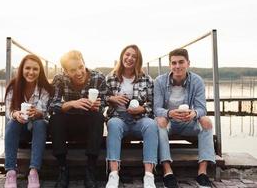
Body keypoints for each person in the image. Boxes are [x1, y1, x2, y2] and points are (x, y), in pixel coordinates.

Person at [153, 48, 215, 188]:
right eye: (174, 63)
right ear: (170, 65)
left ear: (188, 63)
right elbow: (156, 109)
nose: (177, 66)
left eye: (181, 62)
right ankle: (167, 171)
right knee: (160, 120)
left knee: (206, 121)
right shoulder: (160, 81)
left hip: (188, 122)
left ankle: (202, 173)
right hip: (168, 122)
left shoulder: (197, 81)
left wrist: (194, 113)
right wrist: (169, 113)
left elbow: (202, 108)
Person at [49, 50, 107, 188]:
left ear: (84, 63)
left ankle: (90, 169)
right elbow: (51, 105)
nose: (79, 73)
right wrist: (71, 103)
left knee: (98, 117)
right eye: (73, 70)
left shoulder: (98, 78)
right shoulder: (60, 79)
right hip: (69, 123)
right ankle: (63, 169)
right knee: (55, 119)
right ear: (66, 71)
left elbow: (104, 103)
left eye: (81, 67)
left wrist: (97, 106)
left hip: (88, 124)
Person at [105, 45, 158, 188]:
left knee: (152, 125)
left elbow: (153, 104)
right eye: (127, 54)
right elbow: (102, 98)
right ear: (122, 55)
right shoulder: (110, 78)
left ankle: (149, 175)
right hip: (118, 117)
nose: (129, 58)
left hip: (139, 119)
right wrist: (112, 99)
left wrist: (142, 109)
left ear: (138, 60)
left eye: (134, 56)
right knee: (113, 124)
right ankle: (113, 174)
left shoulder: (146, 79)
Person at [4, 54, 54, 188]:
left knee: (40, 122)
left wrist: (38, 113)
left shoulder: (45, 88)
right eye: (27, 68)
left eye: (35, 69)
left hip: (39, 131)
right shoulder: (13, 87)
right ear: (22, 69)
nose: (31, 72)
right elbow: (9, 111)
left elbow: (47, 113)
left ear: (40, 71)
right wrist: (15, 114)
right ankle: (10, 172)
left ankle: (33, 171)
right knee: (12, 122)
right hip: (21, 131)